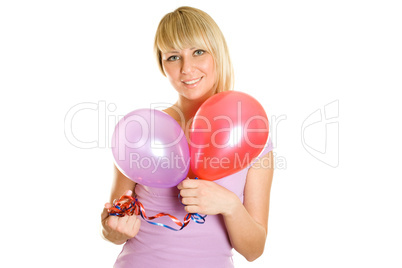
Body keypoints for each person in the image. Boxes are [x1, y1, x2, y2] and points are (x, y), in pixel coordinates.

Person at [101, 6, 274, 267]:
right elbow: (112, 225)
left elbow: (254, 250)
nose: (186, 68)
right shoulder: (141, 132)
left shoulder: (249, 131)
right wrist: (113, 229)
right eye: (173, 57)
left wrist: (229, 205)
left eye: (198, 52)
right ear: (162, 65)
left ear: (217, 54)